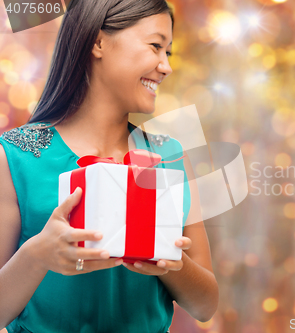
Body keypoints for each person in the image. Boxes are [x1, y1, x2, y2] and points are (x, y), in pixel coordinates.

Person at [0, 0, 218, 332]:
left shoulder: (170, 158)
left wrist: (172, 263)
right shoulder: (15, 156)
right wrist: (38, 254)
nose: (166, 66)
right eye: (156, 46)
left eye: (168, 53)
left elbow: (205, 306)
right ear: (98, 43)